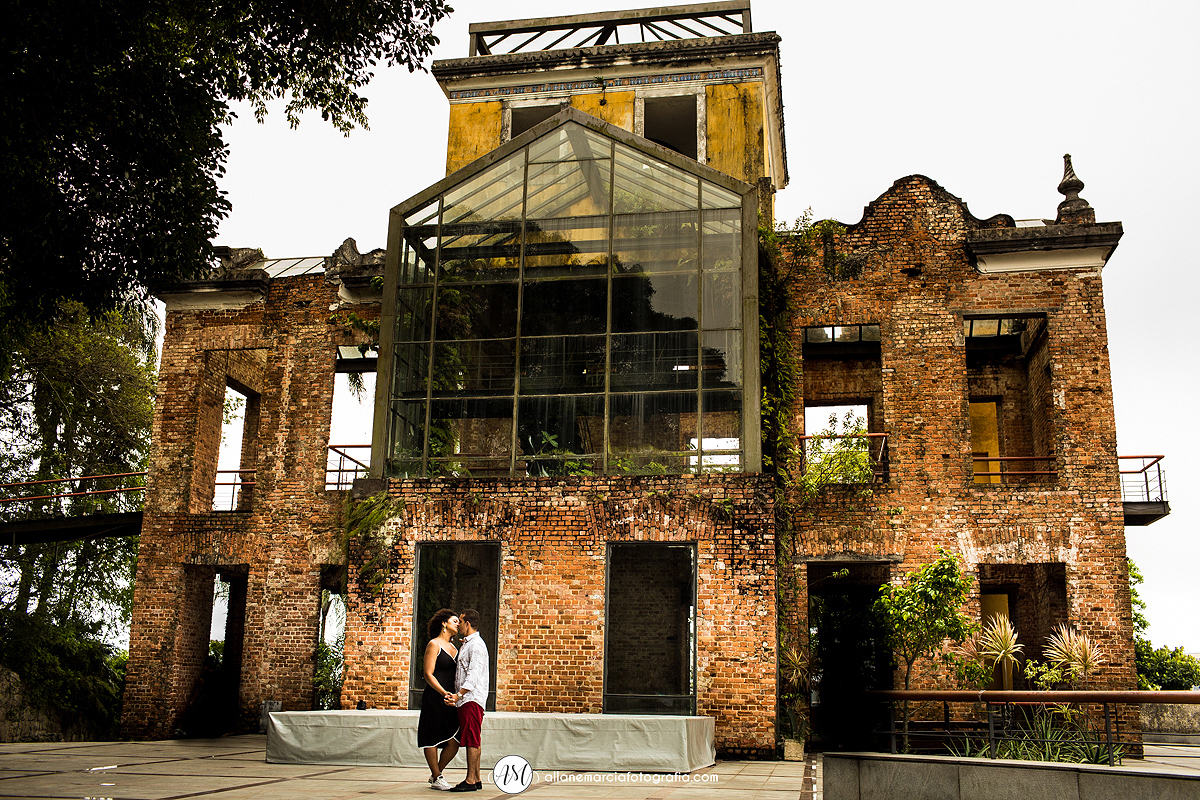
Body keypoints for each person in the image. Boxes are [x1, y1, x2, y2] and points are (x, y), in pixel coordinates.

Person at [445, 608, 488, 792]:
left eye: (461, 622)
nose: (459, 625)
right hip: (467, 699)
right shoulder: (469, 643)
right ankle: (476, 778)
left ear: (468, 624)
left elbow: (473, 675)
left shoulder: (476, 645)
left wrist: (459, 695)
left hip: (471, 699)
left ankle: (470, 780)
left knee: (471, 739)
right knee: (473, 737)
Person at [418, 609, 460, 791]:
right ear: (444, 623)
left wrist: (455, 696)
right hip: (435, 697)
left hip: (451, 699)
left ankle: (437, 773)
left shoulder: (456, 648)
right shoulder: (434, 644)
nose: (457, 624)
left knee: (455, 740)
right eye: (454, 621)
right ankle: (437, 777)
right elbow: (428, 674)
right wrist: (444, 693)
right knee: (432, 736)